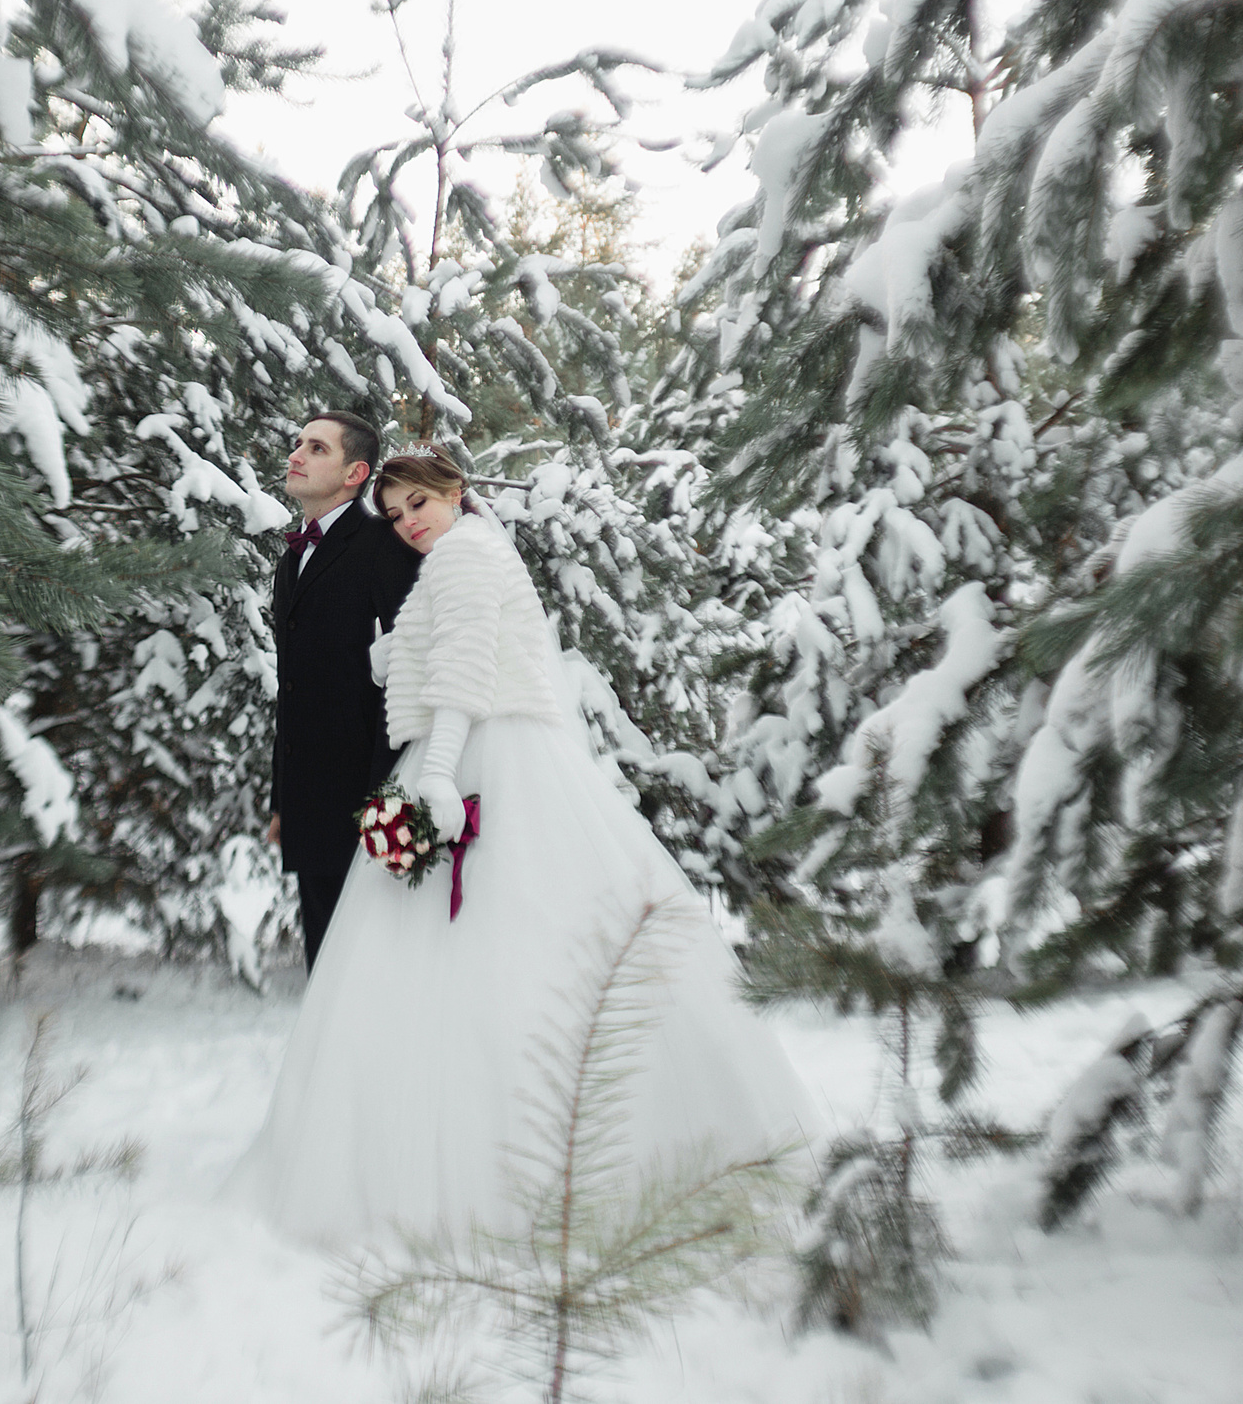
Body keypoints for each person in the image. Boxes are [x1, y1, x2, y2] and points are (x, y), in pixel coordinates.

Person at [228, 450, 815, 1244]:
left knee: (496, 939)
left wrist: (437, 776)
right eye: (397, 512)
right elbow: (424, 651)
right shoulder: (456, 561)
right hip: (473, 744)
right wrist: (386, 651)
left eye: (421, 503)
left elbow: (467, 672)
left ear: (455, 493)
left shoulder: (466, 552)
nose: (410, 521)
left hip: (480, 750)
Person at [267, 410, 421, 968]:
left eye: (316, 448)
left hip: (368, 805)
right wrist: (281, 798)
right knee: (323, 971)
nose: (296, 455)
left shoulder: (384, 545)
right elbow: (296, 687)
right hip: (308, 805)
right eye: (298, 443)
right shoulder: (292, 558)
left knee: (368, 975)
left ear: (356, 473)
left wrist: (387, 799)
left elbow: (408, 672)